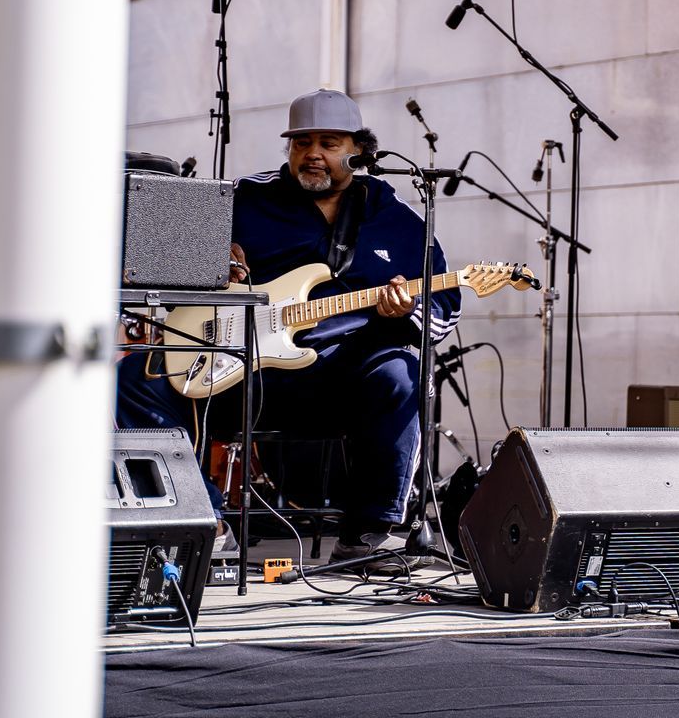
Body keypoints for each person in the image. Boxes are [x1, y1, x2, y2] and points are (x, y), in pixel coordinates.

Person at [116, 88, 458, 562]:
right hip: (243, 372)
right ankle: (204, 523)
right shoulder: (244, 197)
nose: (312, 153)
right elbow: (158, 263)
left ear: (360, 152)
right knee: (137, 377)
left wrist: (408, 310)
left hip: (343, 381)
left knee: (402, 372)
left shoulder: (401, 220)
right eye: (301, 142)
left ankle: (369, 536)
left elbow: (446, 307)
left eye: (328, 143)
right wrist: (212, 264)